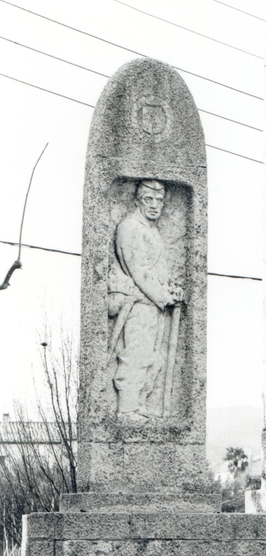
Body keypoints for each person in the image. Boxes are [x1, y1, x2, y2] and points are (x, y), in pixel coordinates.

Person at [107, 179, 184, 419]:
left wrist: (171, 290)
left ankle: (139, 404)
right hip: (138, 303)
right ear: (137, 201)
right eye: (148, 199)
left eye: (159, 200)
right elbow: (138, 270)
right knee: (136, 355)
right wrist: (164, 296)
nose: (154, 205)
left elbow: (156, 269)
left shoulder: (150, 230)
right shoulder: (130, 227)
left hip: (153, 304)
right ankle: (127, 408)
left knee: (152, 358)